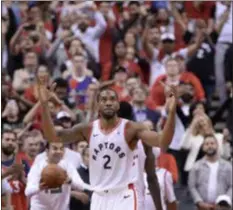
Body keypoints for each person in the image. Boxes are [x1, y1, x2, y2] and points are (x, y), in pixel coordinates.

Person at [38, 79, 177, 210]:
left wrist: (171, 113)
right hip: (99, 196)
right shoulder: (87, 129)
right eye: (103, 100)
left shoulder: (131, 128)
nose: (108, 103)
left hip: (125, 195)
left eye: (112, 99)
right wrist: (44, 105)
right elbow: (53, 138)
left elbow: (162, 141)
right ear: (97, 105)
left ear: (118, 105)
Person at [25, 142, 90, 210]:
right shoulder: (37, 167)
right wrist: (39, 187)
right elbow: (28, 191)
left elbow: (81, 186)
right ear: (47, 151)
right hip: (40, 207)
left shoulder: (68, 166)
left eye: (61, 149)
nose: (59, 151)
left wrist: (70, 181)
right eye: (55, 148)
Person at [188, 135, 232, 210]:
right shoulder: (196, 166)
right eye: (207, 144)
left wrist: (224, 201)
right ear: (203, 147)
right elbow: (192, 186)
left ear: (217, 145)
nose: (210, 146)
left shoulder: (227, 166)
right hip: (202, 207)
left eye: (212, 143)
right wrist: (199, 202)